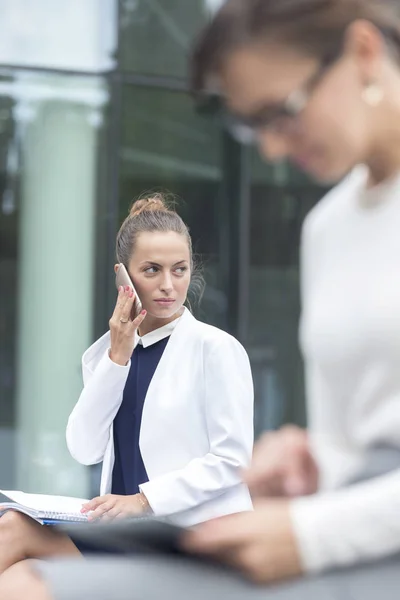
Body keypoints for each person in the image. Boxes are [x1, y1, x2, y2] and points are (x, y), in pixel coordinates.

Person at [5, 0, 400, 597]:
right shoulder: (329, 227)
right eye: (251, 126)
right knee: (22, 573)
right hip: (316, 527)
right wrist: (308, 460)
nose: (270, 149)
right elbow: (348, 443)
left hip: (346, 542)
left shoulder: (216, 349)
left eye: (280, 112)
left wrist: (309, 533)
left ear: (364, 53)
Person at [0, 194, 253, 579]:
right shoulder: (106, 357)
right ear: (124, 277)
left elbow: (232, 461)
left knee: (17, 545)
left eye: (180, 269)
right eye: (152, 270)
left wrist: (143, 500)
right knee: (15, 545)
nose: (169, 285)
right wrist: (117, 359)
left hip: (186, 537)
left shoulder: (215, 349)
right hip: (123, 535)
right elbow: (84, 449)